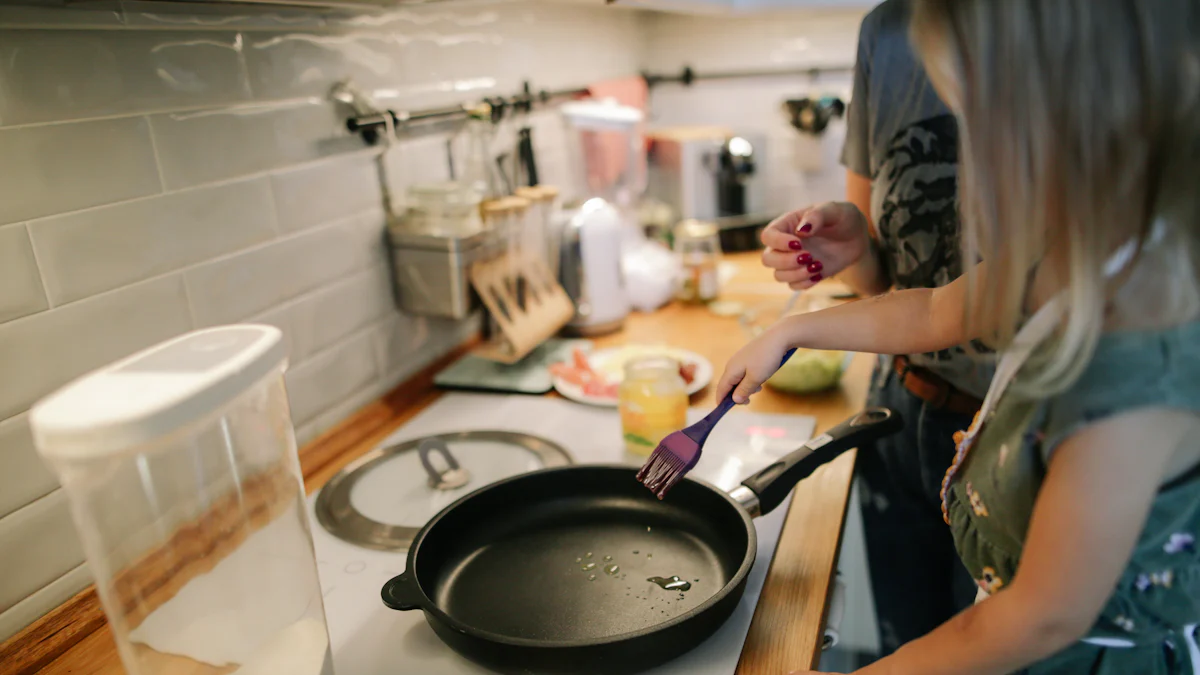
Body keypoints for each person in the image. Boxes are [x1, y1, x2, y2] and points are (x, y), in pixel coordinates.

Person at [724, 1, 1200, 673]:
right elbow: (932, 313)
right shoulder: (1083, 252)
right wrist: (792, 330)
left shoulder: (1134, 362)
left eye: (981, 118)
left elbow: (1031, 621)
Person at [760, 0, 980, 655]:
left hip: (1026, 429)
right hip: (901, 414)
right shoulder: (888, 31)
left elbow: (1039, 617)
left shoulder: (1106, 32)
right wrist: (853, 247)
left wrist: (796, 330)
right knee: (903, 637)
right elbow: (904, 290)